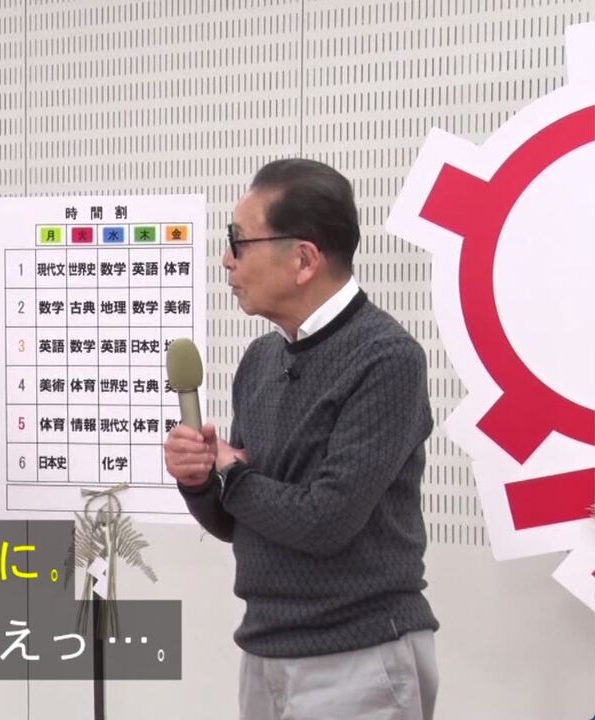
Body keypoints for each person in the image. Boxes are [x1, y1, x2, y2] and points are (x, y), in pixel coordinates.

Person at [164, 159, 439, 720]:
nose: (226, 260)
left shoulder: (387, 358)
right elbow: (243, 521)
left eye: (238, 241)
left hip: (358, 654)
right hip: (265, 650)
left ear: (304, 259)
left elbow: (326, 520)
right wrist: (200, 479)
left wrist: (232, 471)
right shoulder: (261, 359)